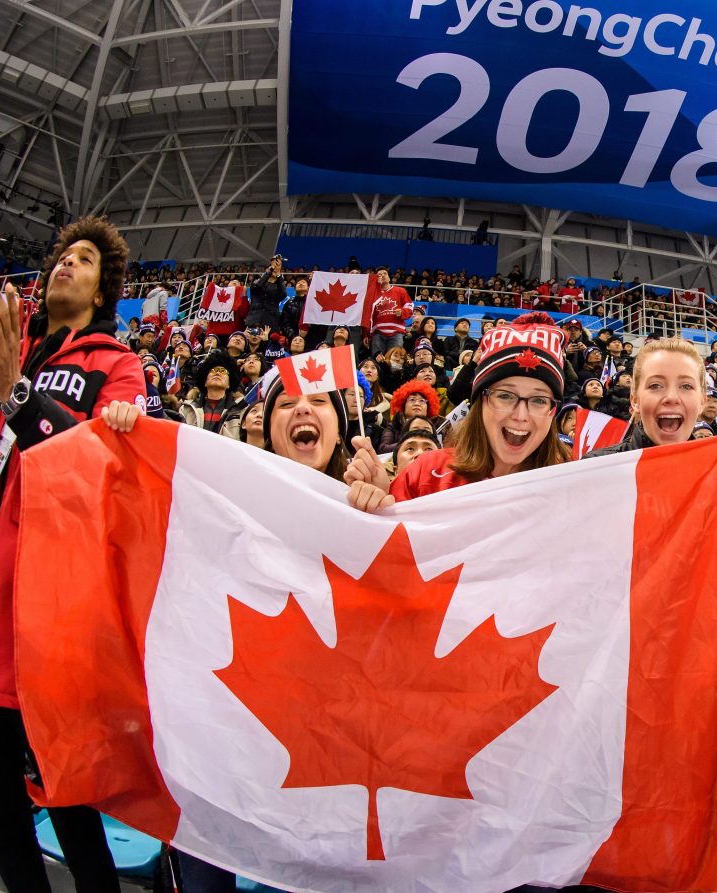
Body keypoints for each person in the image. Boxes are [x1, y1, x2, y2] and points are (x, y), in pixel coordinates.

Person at [0, 216, 145, 892]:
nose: (64, 265)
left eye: (83, 260)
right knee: (5, 825)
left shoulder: (116, 365)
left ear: (104, 292)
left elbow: (102, 468)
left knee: (74, 822)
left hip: (45, 630)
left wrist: (17, 391)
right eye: (61, 256)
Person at [101, 357, 352, 891]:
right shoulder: (220, 504)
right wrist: (121, 442)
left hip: (325, 773)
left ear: (341, 427)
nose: (302, 408)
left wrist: (380, 510)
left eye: (317, 402)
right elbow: (134, 523)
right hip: (222, 754)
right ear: (266, 429)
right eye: (286, 403)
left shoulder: (372, 515)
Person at [345, 312, 570, 508]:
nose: (521, 415)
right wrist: (382, 503)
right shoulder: (426, 472)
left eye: (539, 400)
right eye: (505, 396)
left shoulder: (572, 487)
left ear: (553, 411)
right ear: (480, 401)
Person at [368, 266, 412, 359]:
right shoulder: (371, 294)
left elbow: (409, 305)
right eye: (380, 275)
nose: (383, 276)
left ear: (389, 277)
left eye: (385, 274)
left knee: (394, 361)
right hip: (377, 333)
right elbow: (367, 315)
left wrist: (403, 312)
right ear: (376, 278)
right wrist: (366, 334)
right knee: (377, 361)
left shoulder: (400, 291)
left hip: (396, 333)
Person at [247, 254, 285, 335]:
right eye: (272, 268)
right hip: (254, 320)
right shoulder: (257, 281)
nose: (274, 269)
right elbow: (256, 287)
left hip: (271, 322)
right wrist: (271, 269)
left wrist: (278, 274)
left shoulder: (278, 286)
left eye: (276, 268)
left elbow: (283, 295)